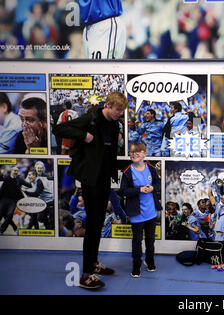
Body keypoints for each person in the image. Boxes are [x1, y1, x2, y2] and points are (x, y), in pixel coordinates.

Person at [52, 91, 128, 289]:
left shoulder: (114, 123)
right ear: (108, 105)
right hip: (90, 180)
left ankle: (94, 264)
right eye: (118, 110)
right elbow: (59, 129)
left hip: (103, 179)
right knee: (93, 226)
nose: (120, 114)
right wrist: (83, 135)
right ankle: (86, 273)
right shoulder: (91, 118)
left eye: (122, 111)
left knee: (97, 223)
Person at [119, 142, 162, 278]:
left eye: (137, 152)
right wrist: (139, 190)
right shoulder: (127, 172)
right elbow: (123, 191)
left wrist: (153, 188)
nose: (134, 154)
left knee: (150, 240)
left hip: (151, 212)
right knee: (137, 241)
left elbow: (158, 183)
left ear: (144, 154)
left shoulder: (151, 168)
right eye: (131, 152)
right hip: (136, 213)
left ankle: (150, 261)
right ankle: (136, 265)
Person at [0, 166, 32, 234]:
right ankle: (15, 227)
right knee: (3, 214)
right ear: (11, 171)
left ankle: (1, 230)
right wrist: (1, 173)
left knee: (10, 214)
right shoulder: (6, 177)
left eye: (17, 171)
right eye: (14, 170)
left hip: (13, 200)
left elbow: (29, 185)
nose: (16, 172)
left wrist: (31, 179)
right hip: (4, 199)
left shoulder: (19, 179)